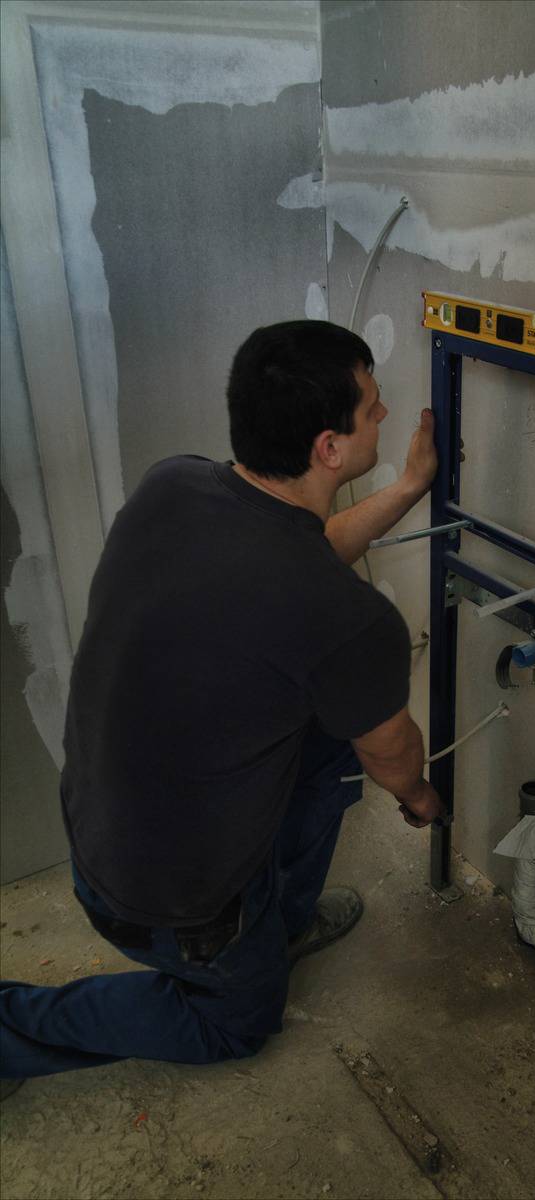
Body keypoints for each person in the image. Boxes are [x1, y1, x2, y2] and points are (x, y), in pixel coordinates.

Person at [0, 320, 444, 1086]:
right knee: (234, 1024)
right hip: (168, 903)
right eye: (371, 406)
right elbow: (394, 754)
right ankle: (11, 1027)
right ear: (328, 449)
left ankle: (280, 927)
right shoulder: (351, 621)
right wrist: (421, 799)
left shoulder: (173, 485)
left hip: (102, 831)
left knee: (326, 737)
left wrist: (406, 488)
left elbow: (296, 559)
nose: (383, 413)